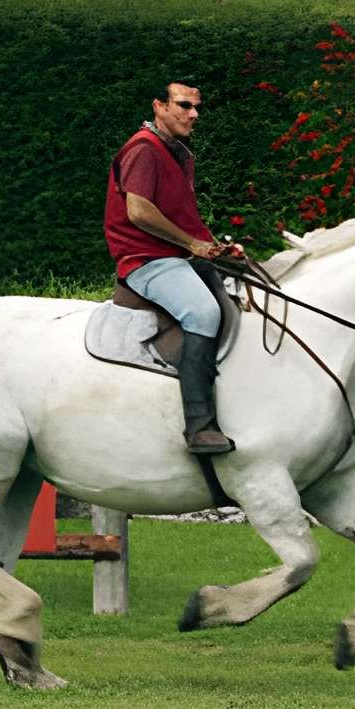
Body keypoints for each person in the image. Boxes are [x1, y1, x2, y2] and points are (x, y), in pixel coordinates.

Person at [105, 78, 250, 455]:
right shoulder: (143, 150)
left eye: (196, 106)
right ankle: (199, 426)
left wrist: (216, 249)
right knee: (203, 313)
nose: (194, 113)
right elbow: (139, 212)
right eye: (184, 105)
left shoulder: (178, 152)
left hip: (178, 257)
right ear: (159, 106)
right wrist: (191, 244)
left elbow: (184, 217)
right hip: (145, 260)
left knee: (247, 288)